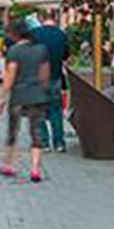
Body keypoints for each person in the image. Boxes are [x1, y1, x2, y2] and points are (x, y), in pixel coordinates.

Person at [0, 16, 51, 183]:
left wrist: (2, 97)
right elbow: (45, 74)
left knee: (13, 130)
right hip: (37, 95)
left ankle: (8, 163)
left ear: (14, 34)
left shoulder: (14, 51)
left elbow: (10, 76)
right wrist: (41, 88)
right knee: (36, 133)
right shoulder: (41, 49)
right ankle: (35, 169)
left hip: (18, 96)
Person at [34, 14, 71, 153]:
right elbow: (66, 55)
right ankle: (59, 142)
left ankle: (44, 142)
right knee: (56, 111)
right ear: (55, 22)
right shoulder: (61, 35)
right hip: (55, 77)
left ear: (43, 21)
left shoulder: (35, 34)